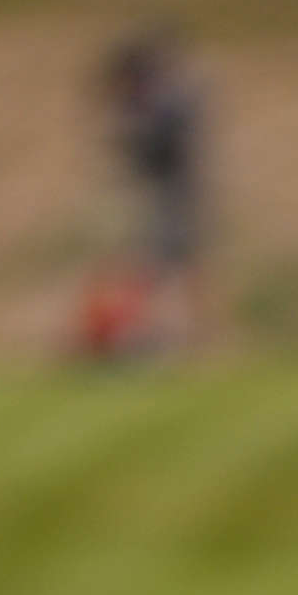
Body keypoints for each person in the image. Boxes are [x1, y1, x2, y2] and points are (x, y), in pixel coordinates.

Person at [94, 29, 208, 355]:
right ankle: (166, 335)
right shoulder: (162, 101)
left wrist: (131, 134)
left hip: (170, 196)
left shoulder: (164, 104)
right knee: (163, 267)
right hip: (165, 195)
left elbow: (157, 148)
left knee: (165, 267)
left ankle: (178, 337)